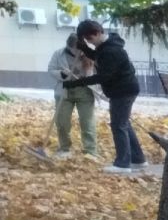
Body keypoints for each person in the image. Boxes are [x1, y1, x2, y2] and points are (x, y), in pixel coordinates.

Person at [72, 19, 145, 172]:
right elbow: (98, 56)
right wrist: (85, 48)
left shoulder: (111, 51)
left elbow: (104, 76)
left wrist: (78, 82)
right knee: (124, 124)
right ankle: (138, 159)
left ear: (98, 33)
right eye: (86, 40)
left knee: (118, 125)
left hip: (123, 91)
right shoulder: (107, 46)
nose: (90, 42)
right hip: (124, 89)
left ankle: (123, 164)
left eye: (90, 39)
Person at [47, 34, 99, 157]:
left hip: (85, 91)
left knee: (87, 121)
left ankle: (90, 151)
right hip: (65, 91)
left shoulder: (91, 55)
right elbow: (51, 69)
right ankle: (64, 148)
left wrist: (88, 70)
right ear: (68, 46)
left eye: (78, 49)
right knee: (62, 122)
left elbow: (98, 75)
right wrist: (62, 74)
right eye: (73, 49)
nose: (76, 52)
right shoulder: (59, 54)